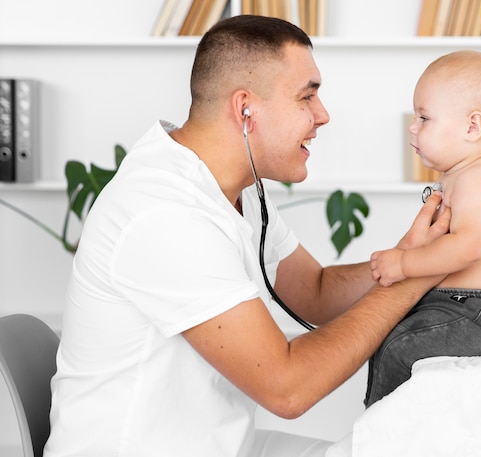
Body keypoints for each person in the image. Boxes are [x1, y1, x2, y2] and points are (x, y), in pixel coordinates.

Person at [43, 15, 450, 457]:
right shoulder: (163, 211)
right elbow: (287, 388)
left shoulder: (237, 189)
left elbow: (314, 291)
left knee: (398, 444)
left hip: (220, 445)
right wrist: (415, 278)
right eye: (307, 96)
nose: (323, 115)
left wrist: (408, 255)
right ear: (245, 109)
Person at [365, 50, 481, 407]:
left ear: (472, 127)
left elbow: (468, 246)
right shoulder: (463, 172)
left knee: (397, 344)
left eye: (424, 117)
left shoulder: (477, 178)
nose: (412, 126)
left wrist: (404, 264)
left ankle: (382, 429)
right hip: (462, 305)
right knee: (380, 330)